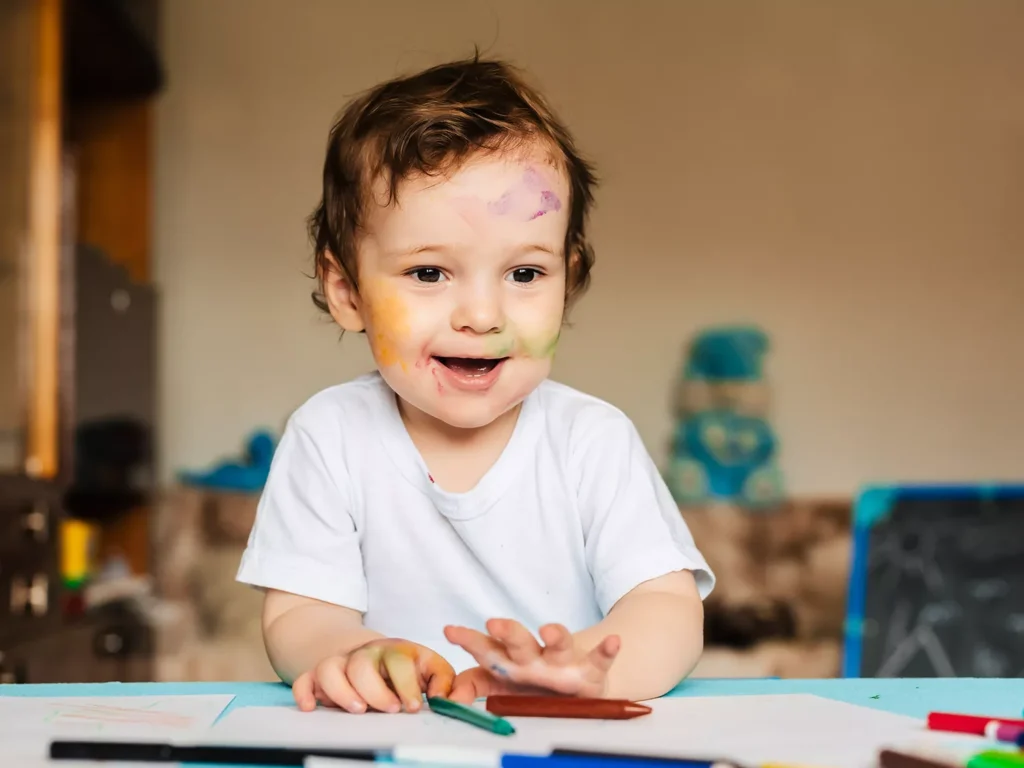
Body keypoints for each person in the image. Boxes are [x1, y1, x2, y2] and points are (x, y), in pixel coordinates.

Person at [236, 54, 715, 715]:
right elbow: (299, 614)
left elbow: (667, 609)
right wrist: (347, 653)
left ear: (567, 282)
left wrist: (593, 667)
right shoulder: (330, 436)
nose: (484, 316)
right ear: (346, 291)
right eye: (430, 273)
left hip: (555, 739)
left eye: (524, 275)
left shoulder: (591, 441)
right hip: (394, 741)